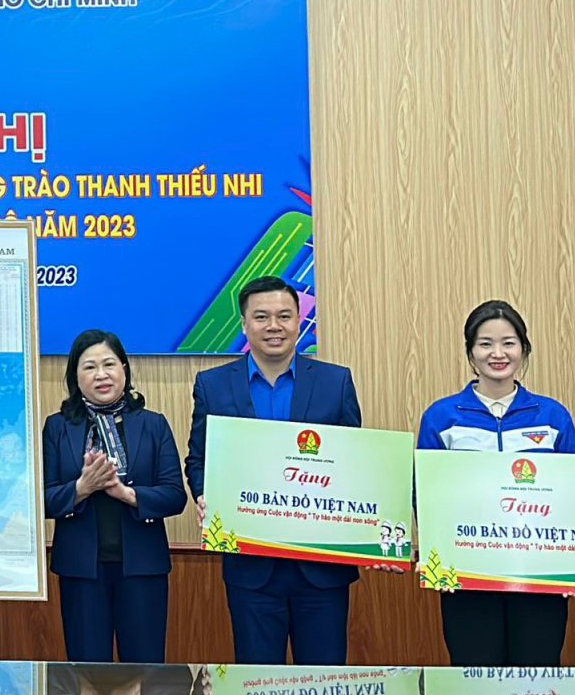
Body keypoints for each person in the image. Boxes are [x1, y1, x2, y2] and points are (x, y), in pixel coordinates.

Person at [185, 275, 360, 664]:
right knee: (256, 684)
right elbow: (198, 458)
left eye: (284, 315)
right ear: (244, 324)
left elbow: (354, 465)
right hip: (251, 567)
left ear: (299, 321)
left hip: (321, 566)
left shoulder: (335, 382)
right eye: (261, 317)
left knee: (324, 682)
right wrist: (203, 493)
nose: (274, 326)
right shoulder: (213, 386)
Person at [416, 299, 575, 666]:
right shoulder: (442, 417)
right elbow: (425, 496)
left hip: (540, 576)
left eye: (508, 343)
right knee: (474, 678)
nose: (498, 353)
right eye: (485, 344)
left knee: (537, 677)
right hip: (467, 575)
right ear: (470, 353)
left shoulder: (552, 415)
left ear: (524, 349)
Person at [41, 329, 186, 662]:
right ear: (75, 377)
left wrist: (126, 494)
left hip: (143, 567)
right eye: (89, 367)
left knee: (146, 669)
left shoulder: (153, 425)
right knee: (88, 671)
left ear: (124, 370)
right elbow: (42, 500)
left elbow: (174, 495)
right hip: (81, 569)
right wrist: (81, 489)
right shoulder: (58, 427)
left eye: (109, 364)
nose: (101, 375)